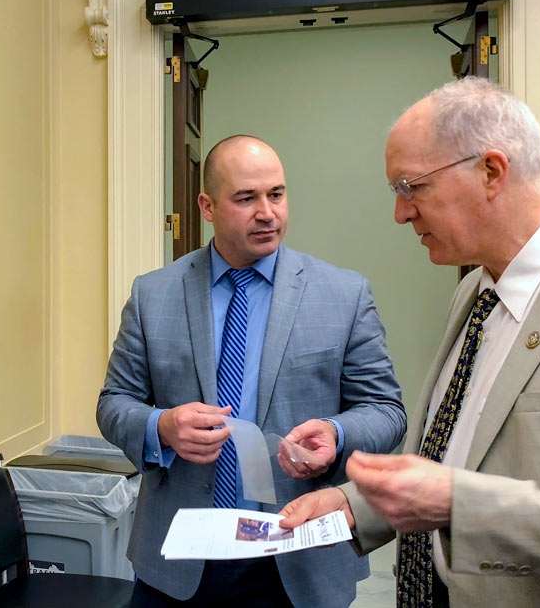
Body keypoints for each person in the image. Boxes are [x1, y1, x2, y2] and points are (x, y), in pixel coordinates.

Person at [279, 77, 540, 608]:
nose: (400, 214)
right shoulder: (475, 290)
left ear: (491, 171)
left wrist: (460, 504)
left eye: (411, 187)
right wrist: (353, 504)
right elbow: (457, 457)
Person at [97, 135, 406, 608]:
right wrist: (161, 426)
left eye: (276, 194)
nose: (267, 213)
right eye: (246, 198)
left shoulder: (343, 296)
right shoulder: (152, 295)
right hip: (179, 560)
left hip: (298, 554)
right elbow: (114, 403)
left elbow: (386, 411)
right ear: (207, 206)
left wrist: (336, 433)